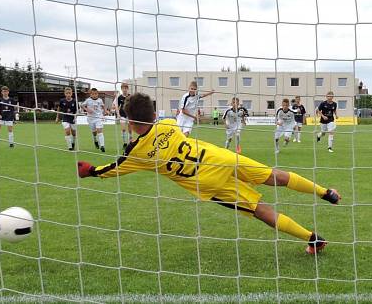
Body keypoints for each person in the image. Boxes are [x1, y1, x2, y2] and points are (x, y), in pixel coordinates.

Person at [76, 92, 341, 254]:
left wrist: (90, 171)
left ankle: (313, 239)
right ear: (155, 114)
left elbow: (113, 170)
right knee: (275, 176)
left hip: (207, 183)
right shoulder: (168, 125)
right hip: (220, 158)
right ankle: (324, 192)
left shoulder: (136, 153)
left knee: (260, 209)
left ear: (130, 124)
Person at [82, 88, 106, 153]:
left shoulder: (100, 100)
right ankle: (95, 140)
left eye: (96, 94)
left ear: (97, 94)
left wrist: (104, 113)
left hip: (98, 117)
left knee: (99, 131)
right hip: (91, 118)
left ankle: (102, 146)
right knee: (94, 132)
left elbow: (103, 107)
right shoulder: (88, 100)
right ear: (91, 94)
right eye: (93, 94)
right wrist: (87, 109)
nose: (94, 95)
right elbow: (82, 105)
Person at [115, 83, 132, 148]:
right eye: (123, 88)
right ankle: (125, 143)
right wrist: (118, 114)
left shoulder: (130, 96)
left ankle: (130, 142)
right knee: (123, 129)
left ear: (127, 89)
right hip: (122, 115)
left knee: (130, 130)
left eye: (126, 88)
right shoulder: (119, 97)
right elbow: (117, 106)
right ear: (121, 89)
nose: (124, 90)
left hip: (129, 115)